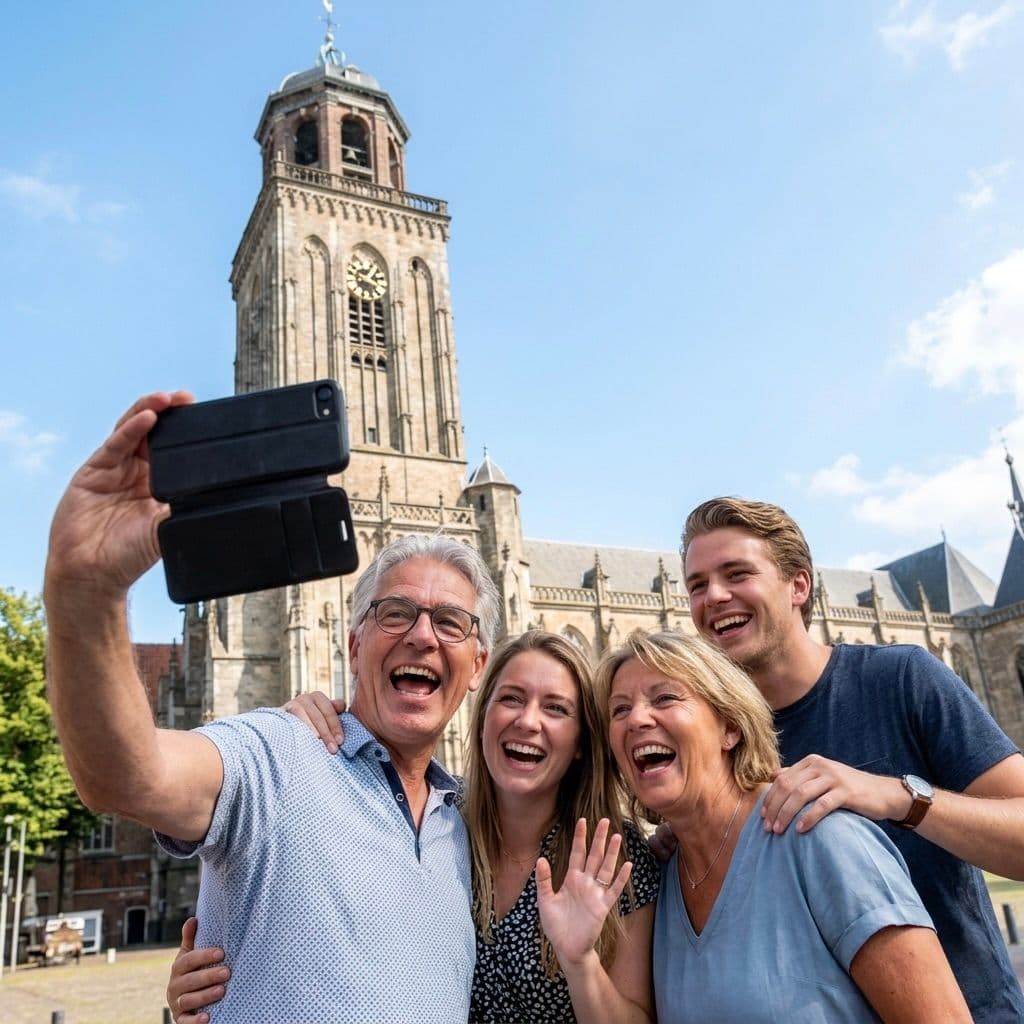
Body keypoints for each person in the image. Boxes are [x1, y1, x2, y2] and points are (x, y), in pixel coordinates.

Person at [44, 392, 500, 1023]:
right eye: (395, 613)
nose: (422, 635)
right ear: (352, 641)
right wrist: (86, 588)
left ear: (479, 665)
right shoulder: (280, 752)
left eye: (450, 622)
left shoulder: (473, 821)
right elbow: (126, 775)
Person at [169, 630, 659, 1023]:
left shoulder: (612, 853)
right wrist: (294, 727)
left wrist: (580, 963)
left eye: (556, 708)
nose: (528, 721)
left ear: (580, 740)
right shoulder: (441, 820)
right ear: (483, 716)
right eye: (510, 699)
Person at [681, 496, 1024, 1021]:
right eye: (698, 584)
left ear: (799, 585)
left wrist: (897, 796)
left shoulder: (902, 679)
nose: (715, 596)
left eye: (736, 573)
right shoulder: (710, 741)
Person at [597, 628, 970, 1022]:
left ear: (730, 727)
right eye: (619, 709)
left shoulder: (822, 838)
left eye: (665, 698)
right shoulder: (661, 882)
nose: (636, 718)